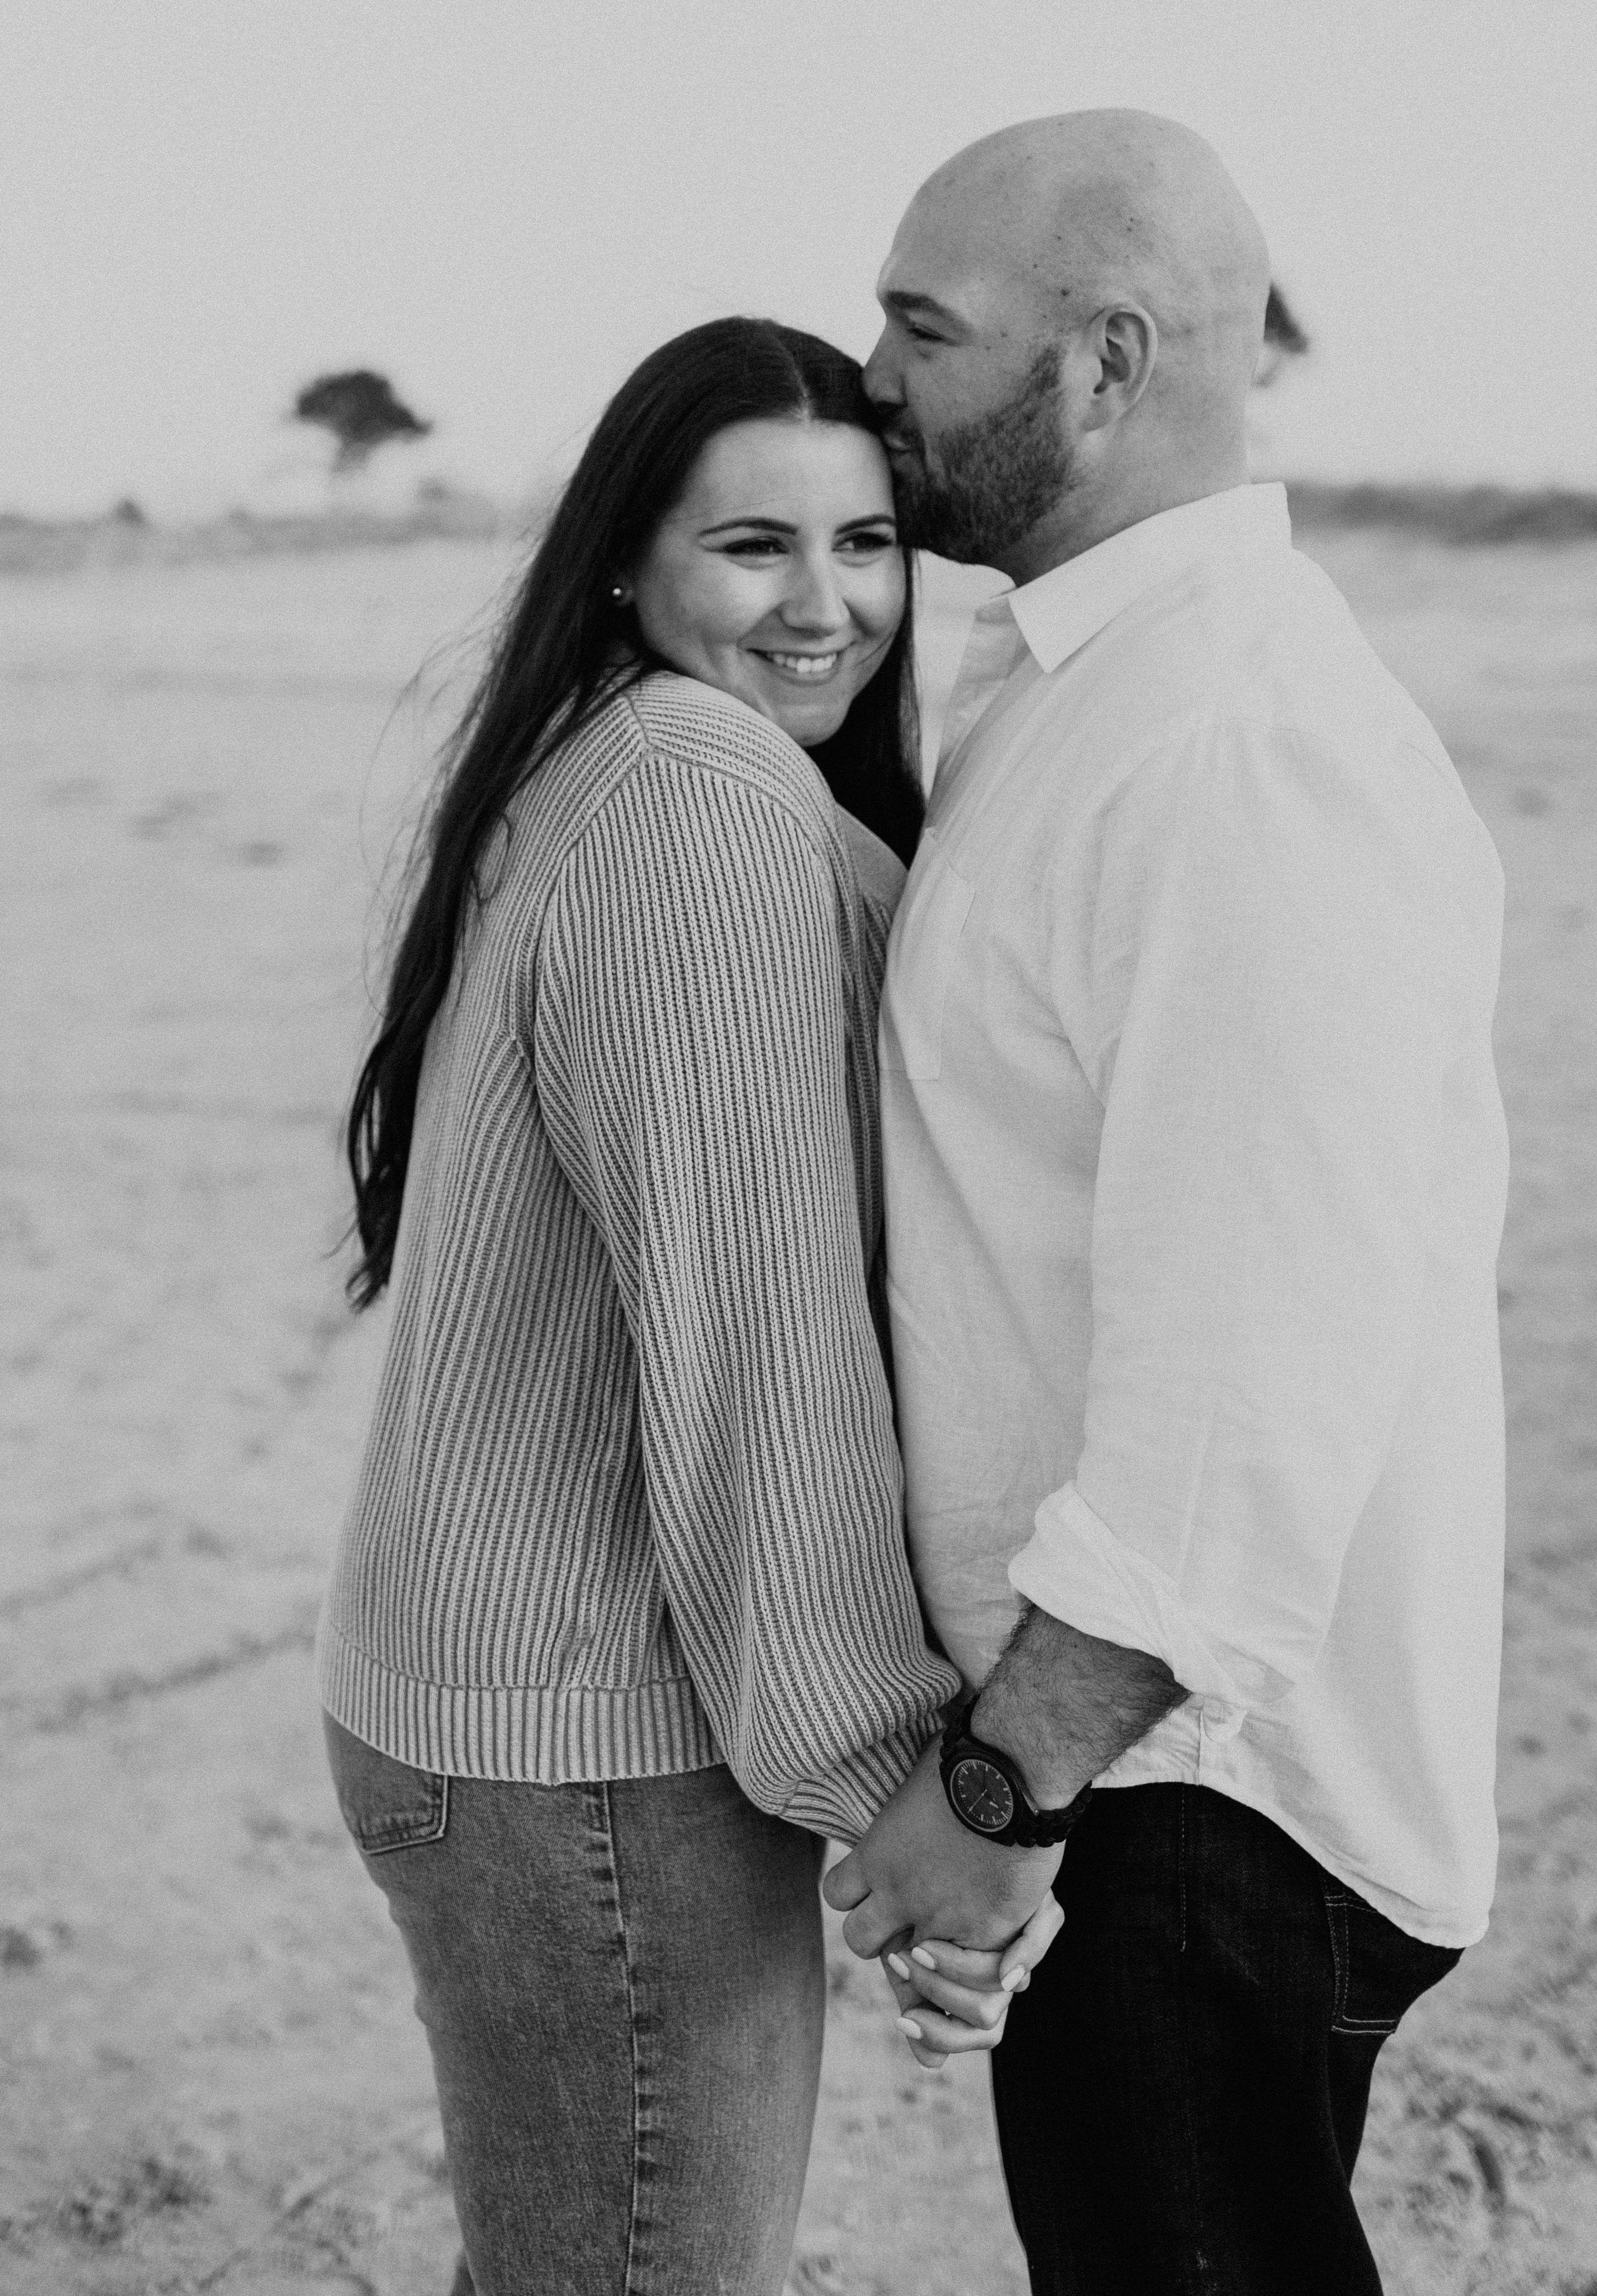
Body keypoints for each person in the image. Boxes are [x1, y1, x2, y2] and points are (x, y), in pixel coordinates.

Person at [822, 111, 1511, 2293]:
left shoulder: (1231, 747)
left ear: (1106, 362)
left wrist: (1005, 1791)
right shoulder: (1088, 685)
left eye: (923, 330)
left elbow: (1246, 1383)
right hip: (1144, 1768)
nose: (870, 380)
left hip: (1195, 1797)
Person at [321, 318, 1058, 2295]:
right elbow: (752, 1356)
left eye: (868, 542)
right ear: (627, 566)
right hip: (588, 1753)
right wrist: (907, 1795)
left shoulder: (623, 756)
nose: (828, 606)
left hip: (518, 1710)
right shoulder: (695, 806)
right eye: (754, 546)